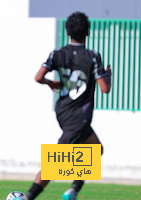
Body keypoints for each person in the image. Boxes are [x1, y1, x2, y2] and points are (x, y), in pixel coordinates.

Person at [25, 12, 111, 200]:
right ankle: (26, 198)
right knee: (55, 162)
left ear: (67, 31)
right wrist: (107, 77)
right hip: (79, 116)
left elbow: (38, 77)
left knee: (96, 149)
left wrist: (51, 83)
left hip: (63, 111)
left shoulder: (57, 54)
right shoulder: (93, 56)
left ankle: (72, 191)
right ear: (88, 32)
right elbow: (104, 89)